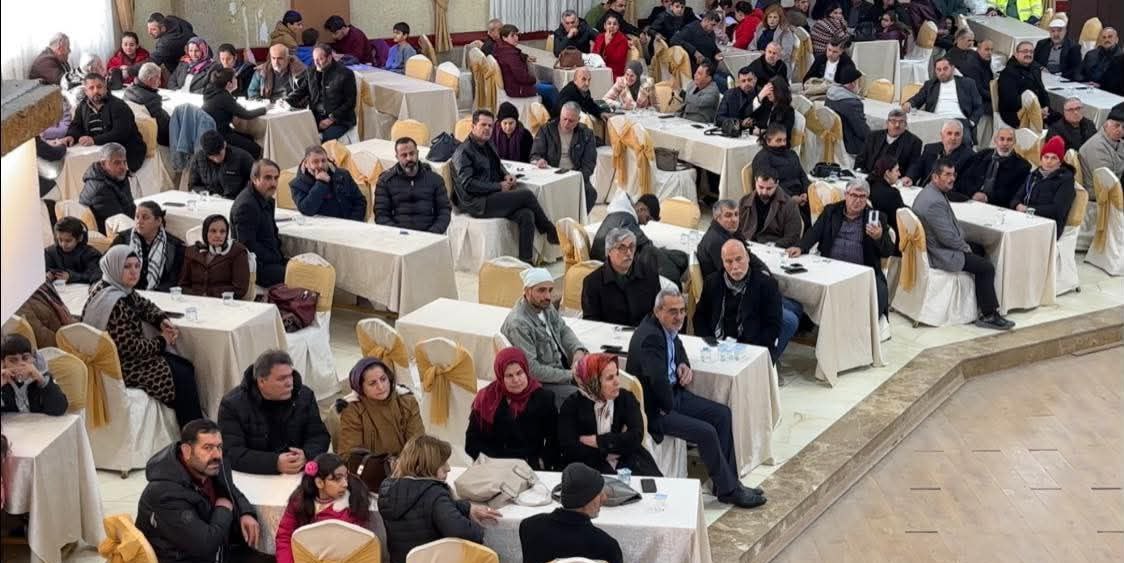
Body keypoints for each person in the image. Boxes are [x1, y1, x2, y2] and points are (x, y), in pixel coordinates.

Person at [625, 288, 766, 508]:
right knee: (706, 432)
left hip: (673, 395)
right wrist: (670, 408)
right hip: (657, 408)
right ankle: (730, 491)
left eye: (682, 310)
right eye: (673, 311)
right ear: (658, 310)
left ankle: (726, 483)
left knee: (722, 415)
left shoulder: (663, 326)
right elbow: (657, 381)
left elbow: (678, 345)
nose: (679, 317)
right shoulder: (650, 338)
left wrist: (683, 364)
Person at [82, 246, 203, 425]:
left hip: (122, 359)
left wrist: (161, 320)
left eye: (137, 266)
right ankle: (193, 430)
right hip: (120, 366)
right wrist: (162, 340)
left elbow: (143, 304)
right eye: (127, 267)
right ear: (114, 267)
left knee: (183, 366)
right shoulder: (113, 303)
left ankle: (193, 427)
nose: (134, 272)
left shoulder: (114, 288)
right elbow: (131, 348)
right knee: (182, 375)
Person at [136, 420, 260, 563]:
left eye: (219, 447)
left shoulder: (208, 467)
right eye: (207, 448)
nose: (217, 455)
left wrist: (246, 512)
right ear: (186, 451)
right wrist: (224, 510)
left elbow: (230, 488)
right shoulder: (164, 494)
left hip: (219, 550)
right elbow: (206, 545)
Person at [912, 159, 1014, 330]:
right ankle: (989, 314)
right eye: (947, 175)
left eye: (953, 174)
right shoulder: (934, 202)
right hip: (940, 253)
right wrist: (966, 247)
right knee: (986, 267)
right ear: (935, 177)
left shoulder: (929, 192)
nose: (952, 178)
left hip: (936, 245)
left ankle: (980, 301)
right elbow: (948, 238)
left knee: (980, 248)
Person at [788, 179, 896, 339]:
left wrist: (879, 237)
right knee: (802, 283)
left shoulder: (877, 218)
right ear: (846, 194)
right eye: (854, 195)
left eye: (862, 197)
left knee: (879, 293)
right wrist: (801, 246)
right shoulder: (831, 211)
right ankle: (807, 323)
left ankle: (858, 334)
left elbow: (888, 251)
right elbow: (815, 232)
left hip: (862, 271)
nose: (858, 200)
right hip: (830, 268)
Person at [452, 109, 559, 263]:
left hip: (492, 196)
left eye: (490, 125)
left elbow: (498, 165)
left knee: (527, 214)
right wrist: (498, 186)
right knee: (526, 195)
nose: (487, 129)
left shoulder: (488, 143)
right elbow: (468, 184)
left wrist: (506, 175)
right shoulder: (463, 152)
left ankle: (525, 263)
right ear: (473, 126)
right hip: (477, 203)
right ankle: (549, 230)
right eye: (483, 125)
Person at [378, 435, 498, 563]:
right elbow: (461, 532)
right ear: (427, 465)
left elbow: (424, 505)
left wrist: (466, 507)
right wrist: (481, 531)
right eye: (443, 463)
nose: (448, 468)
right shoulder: (434, 493)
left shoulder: (387, 491)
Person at [217, 350, 329, 475]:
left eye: (290, 376)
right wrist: (274, 463)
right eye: (281, 379)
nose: (289, 383)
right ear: (261, 381)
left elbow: (319, 436)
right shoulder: (232, 405)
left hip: (298, 473)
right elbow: (231, 452)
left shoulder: (304, 396)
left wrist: (306, 455)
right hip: (252, 476)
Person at [557, 354, 660, 477]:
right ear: (593, 382)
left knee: (655, 484)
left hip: (628, 459)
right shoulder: (571, 406)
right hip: (588, 466)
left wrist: (598, 441)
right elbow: (570, 449)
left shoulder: (625, 397)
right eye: (610, 378)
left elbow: (636, 436)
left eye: (617, 374)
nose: (617, 382)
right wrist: (615, 446)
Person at [501, 268, 588, 405]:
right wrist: (570, 375)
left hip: (562, 369)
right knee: (583, 400)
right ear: (527, 291)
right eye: (541, 290)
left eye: (550, 290)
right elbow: (532, 370)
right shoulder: (519, 324)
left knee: (603, 379)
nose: (548, 296)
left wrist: (577, 351)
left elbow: (563, 330)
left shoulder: (545, 306)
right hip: (543, 383)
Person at [466, 347, 559, 469]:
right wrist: (492, 462)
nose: (516, 380)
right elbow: (472, 441)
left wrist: (542, 461)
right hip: (495, 466)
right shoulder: (486, 398)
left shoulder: (543, 398)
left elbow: (555, 437)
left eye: (519, 373)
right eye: (509, 376)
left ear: (526, 370)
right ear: (500, 376)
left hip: (530, 467)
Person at [274, 452, 372, 563]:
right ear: (319, 483)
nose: (345, 484)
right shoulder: (299, 501)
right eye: (337, 479)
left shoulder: (353, 504)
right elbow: (284, 537)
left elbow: (355, 549)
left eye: (346, 477)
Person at [519, 462, 624, 563]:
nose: (605, 498)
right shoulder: (607, 547)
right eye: (599, 494)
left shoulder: (529, 527)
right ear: (586, 500)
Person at [694, 239, 783, 356]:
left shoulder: (767, 285)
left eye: (739, 259)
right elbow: (700, 317)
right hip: (717, 346)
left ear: (748, 258)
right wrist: (710, 343)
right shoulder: (713, 282)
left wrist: (749, 351)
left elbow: (773, 326)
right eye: (728, 261)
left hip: (752, 348)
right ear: (723, 263)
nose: (735, 266)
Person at [336, 358, 424, 458]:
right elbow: (350, 455)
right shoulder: (353, 410)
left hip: (408, 463)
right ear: (360, 387)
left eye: (383, 379)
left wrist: (405, 464)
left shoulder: (407, 401)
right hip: (371, 466)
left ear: (389, 378)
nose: (381, 387)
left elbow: (418, 443)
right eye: (372, 383)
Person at [63, 73, 146, 172]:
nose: (96, 91)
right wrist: (71, 136)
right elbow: (76, 125)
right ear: (86, 91)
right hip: (96, 151)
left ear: (105, 88)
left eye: (99, 87)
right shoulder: (82, 106)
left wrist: (94, 140)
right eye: (91, 88)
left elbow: (120, 133)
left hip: (126, 151)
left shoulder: (119, 106)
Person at [582, 228, 663, 327]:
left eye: (631, 247)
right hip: (609, 334)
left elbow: (660, 310)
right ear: (609, 251)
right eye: (622, 248)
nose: (629, 253)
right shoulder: (592, 282)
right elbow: (591, 322)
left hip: (644, 332)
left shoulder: (649, 274)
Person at [530, 102, 599, 212]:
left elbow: (589, 163)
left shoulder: (586, 134)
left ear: (578, 120)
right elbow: (535, 154)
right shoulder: (546, 129)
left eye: (571, 121)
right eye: (564, 119)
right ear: (560, 115)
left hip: (575, 174)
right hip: (551, 174)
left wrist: (576, 177)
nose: (566, 124)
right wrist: (539, 160)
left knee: (591, 194)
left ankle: (577, 220)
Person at [374, 137, 452, 233]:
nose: (409, 158)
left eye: (412, 153)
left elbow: (444, 211)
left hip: (430, 236)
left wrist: (432, 233)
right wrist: (398, 234)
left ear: (417, 153)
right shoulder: (385, 181)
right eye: (404, 155)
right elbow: (381, 215)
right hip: (397, 236)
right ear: (397, 157)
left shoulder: (435, 180)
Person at [286, 43, 357, 142]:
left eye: (320, 59)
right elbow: (301, 91)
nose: (316, 63)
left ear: (329, 58)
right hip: (316, 116)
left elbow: (350, 103)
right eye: (314, 59)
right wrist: (286, 101)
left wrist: (331, 119)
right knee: (296, 133)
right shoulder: (311, 71)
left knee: (323, 139)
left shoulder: (345, 74)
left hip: (340, 119)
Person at [232, 159, 286, 287]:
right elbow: (247, 246)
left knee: (306, 267)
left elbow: (273, 233)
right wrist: (276, 258)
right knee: (301, 276)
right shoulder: (246, 206)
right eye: (268, 178)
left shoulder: (267, 198)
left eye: (276, 178)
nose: (273, 183)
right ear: (254, 179)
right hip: (256, 267)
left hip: (270, 260)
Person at [903, 58, 983, 144]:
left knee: (964, 140)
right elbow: (917, 99)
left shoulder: (968, 83)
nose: (942, 72)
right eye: (939, 69)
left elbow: (979, 106)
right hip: (935, 119)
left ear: (952, 68)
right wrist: (909, 103)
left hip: (959, 120)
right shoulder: (930, 84)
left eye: (945, 69)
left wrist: (971, 122)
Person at [1011, 135, 1076, 239]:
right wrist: (1017, 205)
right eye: (1046, 157)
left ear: (1060, 162)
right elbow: (1016, 197)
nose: (1049, 161)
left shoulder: (1066, 180)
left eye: (1054, 158)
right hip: (1025, 219)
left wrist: (1028, 210)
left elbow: (1057, 210)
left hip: (1049, 226)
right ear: (1041, 160)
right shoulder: (1033, 175)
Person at [111, 201, 185, 292]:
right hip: (124, 291)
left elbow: (174, 281)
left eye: (145, 217)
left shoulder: (174, 246)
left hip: (159, 295)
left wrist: (152, 294)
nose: (139, 221)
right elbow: (106, 265)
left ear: (158, 221)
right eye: (137, 217)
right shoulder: (123, 239)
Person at [179, 214, 250, 299]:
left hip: (223, 302)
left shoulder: (237, 252)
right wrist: (197, 297)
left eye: (222, 231)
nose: (218, 235)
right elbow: (182, 285)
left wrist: (208, 294)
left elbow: (240, 289)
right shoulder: (192, 251)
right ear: (205, 232)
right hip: (193, 301)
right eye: (213, 231)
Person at [202, 68, 267, 160]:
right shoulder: (224, 96)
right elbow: (246, 114)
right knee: (256, 149)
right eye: (235, 78)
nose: (237, 80)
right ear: (229, 84)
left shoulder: (211, 92)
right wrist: (265, 109)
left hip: (213, 132)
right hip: (221, 135)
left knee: (249, 137)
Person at [290, 144, 367, 221]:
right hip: (319, 226)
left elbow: (360, 201)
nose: (321, 165)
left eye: (323, 161)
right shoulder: (297, 184)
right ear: (306, 164)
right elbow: (307, 210)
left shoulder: (342, 175)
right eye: (315, 162)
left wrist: (352, 222)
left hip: (349, 223)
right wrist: (321, 183)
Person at [955, 127, 1030, 205]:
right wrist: (973, 193)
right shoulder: (982, 155)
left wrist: (986, 198)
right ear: (995, 140)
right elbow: (965, 179)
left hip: (997, 206)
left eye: (1009, 140)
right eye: (1002, 139)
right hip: (972, 199)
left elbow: (1013, 195)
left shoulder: (1022, 166)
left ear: (1014, 142)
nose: (1005, 143)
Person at [1, 334, 68, 415]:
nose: (20, 364)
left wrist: (42, 381)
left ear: (32, 359)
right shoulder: (3, 381)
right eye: (13, 360)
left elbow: (59, 409)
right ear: (3, 363)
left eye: (25, 358)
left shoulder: (41, 378)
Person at [737, 167, 803, 247]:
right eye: (761, 187)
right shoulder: (744, 201)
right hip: (747, 245)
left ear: (777, 183)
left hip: (774, 247)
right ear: (755, 181)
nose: (764, 192)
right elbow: (736, 229)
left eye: (769, 188)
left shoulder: (789, 205)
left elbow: (793, 236)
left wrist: (776, 244)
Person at [79, 143, 136, 232]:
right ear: (103, 164)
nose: (123, 167)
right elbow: (119, 223)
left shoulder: (119, 177)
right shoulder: (100, 189)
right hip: (109, 234)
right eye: (116, 163)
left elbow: (131, 208)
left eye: (124, 162)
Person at [854, 108, 923, 177]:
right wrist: (858, 172)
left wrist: (909, 177)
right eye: (893, 121)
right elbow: (861, 158)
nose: (897, 125)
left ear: (905, 124)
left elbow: (914, 165)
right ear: (887, 123)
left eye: (901, 122)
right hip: (868, 175)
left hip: (895, 180)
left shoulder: (914, 142)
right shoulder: (873, 136)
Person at [997, 41, 1050, 130]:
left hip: (1037, 109)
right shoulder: (1008, 73)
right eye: (1025, 51)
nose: (1028, 54)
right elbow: (1010, 101)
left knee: (1061, 118)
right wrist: (1036, 110)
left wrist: (1046, 107)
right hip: (1015, 113)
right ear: (1016, 54)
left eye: (1031, 52)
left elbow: (1042, 90)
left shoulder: (1035, 69)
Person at [750, 124, 810, 202]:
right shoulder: (763, 159)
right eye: (778, 140)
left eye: (784, 140)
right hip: (779, 201)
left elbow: (802, 175)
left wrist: (806, 192)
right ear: (768, 141)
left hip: (801, 196)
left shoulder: (792, 154)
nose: (783, 144)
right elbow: (768, 185)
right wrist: (791, 198)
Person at [188, 130, 254, 199]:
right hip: (209, 200)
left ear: (225, 144)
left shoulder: (243, 158)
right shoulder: (198, 159)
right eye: (212, 156)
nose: (216, 159)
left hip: (236, 200)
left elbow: (255, 183)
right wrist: (209, 194)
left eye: (219, 154)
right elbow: (193, 186)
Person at [906, 120, 973, 186]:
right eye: (949, 133)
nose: (953, 138)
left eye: (957, 134)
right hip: (924, 188)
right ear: (942, 135)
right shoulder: (930, 148)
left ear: (962, 137)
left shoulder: (969, 156)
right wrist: (910, 177)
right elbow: (918, 166)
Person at [825, 65, 870, 155]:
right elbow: (862, 132)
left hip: (833, 140)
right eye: (858, 82)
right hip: (849, 144)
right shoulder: (854, 104)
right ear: (853, 84)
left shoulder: (830, 94)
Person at [1078, 105, 1124, 190]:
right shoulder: (1097, 147)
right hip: (1098, 192)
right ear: (1106, 125)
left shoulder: (1117, 142)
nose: (1120, 130)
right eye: (1116, 125)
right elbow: (1107, 181)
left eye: (1123, 127)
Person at [45, 217, 102, 284]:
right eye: (60, 240)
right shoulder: (50, 252)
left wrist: (71, 276)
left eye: (68, 241)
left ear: (80, 238)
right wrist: (48, 275)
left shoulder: (92, 254)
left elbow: (95, 275)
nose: (63, 244)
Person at [124, 62, 170, 145]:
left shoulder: (128, 91)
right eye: (158, 78)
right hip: (153, 139)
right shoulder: (152, 99)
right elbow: (162, 127)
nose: (160, 82)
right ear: (150, 80)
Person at [494, 25, 542, 99]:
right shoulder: (510, 54)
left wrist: (526, 57)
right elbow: (522, 77)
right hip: (517, 89)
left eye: (517, 35)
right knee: (551, 89)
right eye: (512, 36)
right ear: (504, 38)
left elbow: (517, 54)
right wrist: (535, 80)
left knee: (546, 84)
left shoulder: (501, 48)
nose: (516, 38)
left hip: (510, 86)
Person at [866, 155, 907, 241]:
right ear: (887, 173)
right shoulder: (892, 194)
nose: (899, 174)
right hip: (890, 237)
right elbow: (902, 220)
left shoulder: (869, 185)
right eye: (897, 170)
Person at [750, 75, 795, 140]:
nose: (768, 93)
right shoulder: (767, 105)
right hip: (762, 140)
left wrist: (761, 132)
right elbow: (757, 120)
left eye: (772, 90)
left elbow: (783, 133)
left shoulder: (788, 110)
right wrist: (752, 123)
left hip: (777, 144)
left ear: (780, 91)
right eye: (768, 90)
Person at [593, 13, 630, 80]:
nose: (612, 26)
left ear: (618, 26)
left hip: (614, 73)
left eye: (615, 24)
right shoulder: (600, 37)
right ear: (605, 26)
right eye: (609, 23)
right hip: (598, 70)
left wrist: (608, 44)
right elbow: (594, 55)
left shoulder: (623, 40)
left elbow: (616, 59)